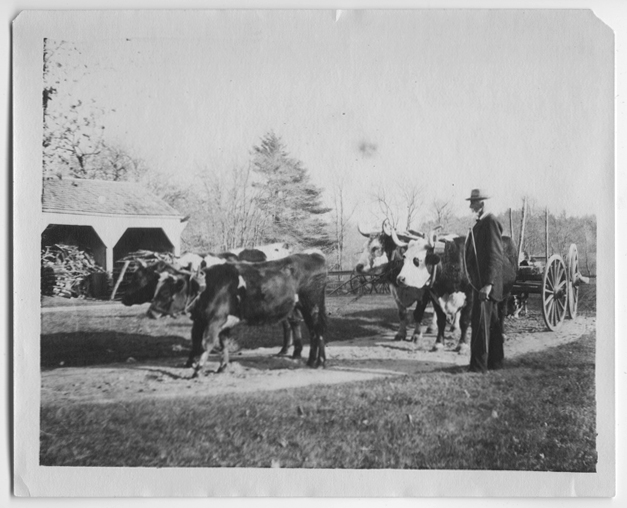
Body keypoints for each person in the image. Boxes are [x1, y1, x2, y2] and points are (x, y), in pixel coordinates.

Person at [464, 189, 506, 373]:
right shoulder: (480, 225)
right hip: (482, 284)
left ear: (482, 204)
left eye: (473, 202)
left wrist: (488, 285)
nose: (470, 206)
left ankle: (478, 367)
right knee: (494, 325)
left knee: (480, 325)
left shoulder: (490, 222)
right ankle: (496, 362)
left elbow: (495, 256)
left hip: (486, 286)